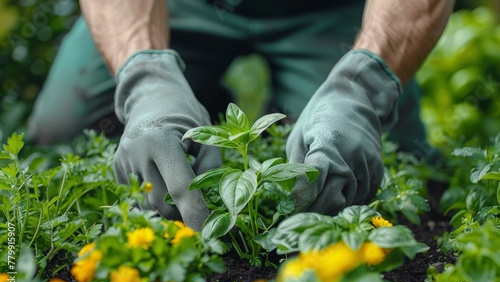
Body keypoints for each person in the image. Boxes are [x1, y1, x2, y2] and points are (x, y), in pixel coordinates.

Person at [28, 0, 455, 231]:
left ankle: (294, 117)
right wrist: (145, 78)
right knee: (65, 128)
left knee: (376, 163)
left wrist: (362, 87)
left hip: (329, 9)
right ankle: (193, 106)